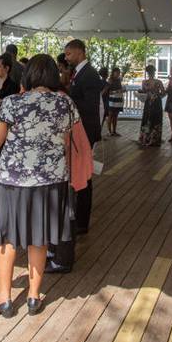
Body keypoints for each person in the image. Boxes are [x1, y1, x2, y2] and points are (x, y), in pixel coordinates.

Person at [0, 54, 76, 317]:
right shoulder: (65, 103)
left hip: (15, 179)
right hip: (51, 180)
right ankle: (34, 297)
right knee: (39, 237)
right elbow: (65, 141)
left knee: (8, 237)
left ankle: (4, 298)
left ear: (29, 75)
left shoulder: (13, 102)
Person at [48, 38, 102, 273]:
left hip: (85, 130)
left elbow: (88, 106)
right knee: (83, 175)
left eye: (69, 54)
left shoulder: (89, 75)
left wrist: (66, 98)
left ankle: (81, 220)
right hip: (81, 130)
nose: (66, 58)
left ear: (80, 52)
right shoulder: (81, 73)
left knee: (85, 176)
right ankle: (80, 219)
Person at [139, 65, 165, 147]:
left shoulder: (145, 82)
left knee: (147, 119)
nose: (151, 73)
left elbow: (143, 92)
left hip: (150, 102)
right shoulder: (158, 82)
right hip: (155, 102)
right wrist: (157, 96)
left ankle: (146, 138)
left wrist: (148, 94)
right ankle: (153, 139)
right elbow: (163, 93)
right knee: (154, 119)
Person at [105, 67, 124, 137]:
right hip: (111, 100)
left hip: (118, 100)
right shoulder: (110, 80)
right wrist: (116, 91)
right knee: (110, 116)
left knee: (116, 116)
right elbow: (107, 92)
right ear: (113, 73)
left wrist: (122, 90)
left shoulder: (119, 80)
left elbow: (120, 88)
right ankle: (109, 131)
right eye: (117, 73)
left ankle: (114, 131)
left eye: (119, 73)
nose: (118, 74)